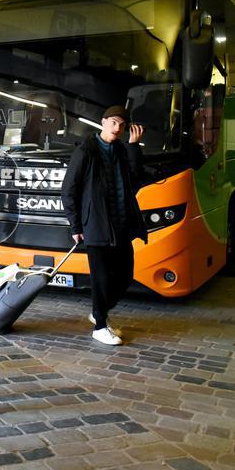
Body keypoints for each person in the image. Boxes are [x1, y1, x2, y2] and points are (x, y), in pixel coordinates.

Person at [61, 105, 148, 346]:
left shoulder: (121, 149)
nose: (118, 128)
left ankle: (99, 312)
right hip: (96, 226)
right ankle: (100, 326)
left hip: (120, 227)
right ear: (103, 122)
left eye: (122, 124)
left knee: (125, 276)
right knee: (101, 279)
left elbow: (136, 178)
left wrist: (133, 146)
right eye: (113, 122)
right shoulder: (86, 150)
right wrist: (76, 226)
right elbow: (69, 190)